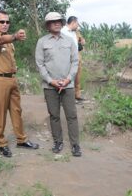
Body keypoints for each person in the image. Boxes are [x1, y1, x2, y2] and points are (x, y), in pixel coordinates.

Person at [0, 10, 39, 157]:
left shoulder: (8, 43)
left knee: (16, 111)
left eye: (7, 22)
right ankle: (1, 144)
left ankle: (21, 139)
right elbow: (0, 41)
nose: (5, 24)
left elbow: (6, 49)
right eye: (2, 22)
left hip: (11, 79)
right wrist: (14, 36)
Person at [35, 12, 81, 157]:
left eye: (59, 21)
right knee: (54, 115)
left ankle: (75, 145)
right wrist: (50, 81)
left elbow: (75, 62)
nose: (56, 23)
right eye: (53, 21)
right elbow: (40, 64)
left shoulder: (69, 41)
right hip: (50, 86)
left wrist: (68, 79)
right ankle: (58, 142)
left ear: (61, 23)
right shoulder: (42, 42)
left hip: (68, 85)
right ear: (48, 25)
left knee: (71, 115)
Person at [61, 16, 86, 103]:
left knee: (77, 77)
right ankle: (67, 97)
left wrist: (82, 41)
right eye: (77, 24)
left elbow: (81, 42)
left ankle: (77, 95)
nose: (78, 26)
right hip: (68, 58)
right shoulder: (63, 31)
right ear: (73, 22)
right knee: (68, 77)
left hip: (76, 57)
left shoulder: (75, 32)